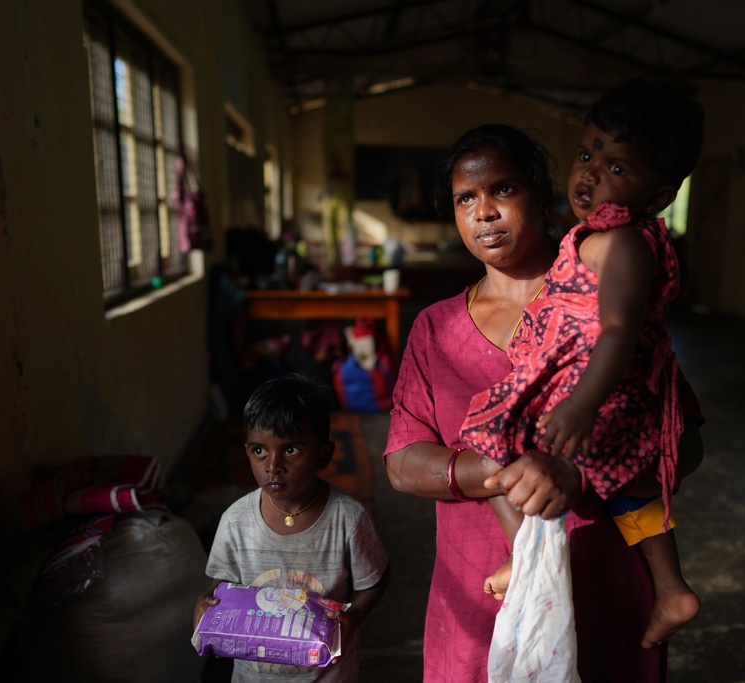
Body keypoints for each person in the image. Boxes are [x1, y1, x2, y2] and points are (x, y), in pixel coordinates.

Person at [384, 122, 703, 682]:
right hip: (478, 594)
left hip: (604, 589)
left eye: (503, 190)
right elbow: (403, 462)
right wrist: (497, 471)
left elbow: (686, 443)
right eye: (466, 198)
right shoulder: (435, 330)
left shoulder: (601, 293)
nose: (484, 212)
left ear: (538, 192)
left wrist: (573, 475)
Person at [462, 78, 705, 649]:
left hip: (600, 392)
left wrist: (581, 405)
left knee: (488, 434)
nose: (591, 175)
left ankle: (527, 560)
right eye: (587, 154)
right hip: (596, 391)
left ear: (660, 195)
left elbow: (619, 329)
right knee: (626, 488)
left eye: (617, 168)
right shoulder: (595, 235)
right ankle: (671, 589)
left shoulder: (622, 242)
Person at [194, 374, 390, 683]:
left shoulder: (347, 519)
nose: (273, 465)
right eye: (259, 451)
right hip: (253, 675)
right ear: (247, 452)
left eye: (290, 450)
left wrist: (353, 618)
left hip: (326, 673)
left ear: (323, 455)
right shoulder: (235, 520)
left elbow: (376, 580)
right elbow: (224, 583)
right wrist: (207, 600)